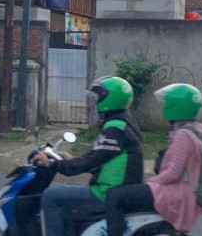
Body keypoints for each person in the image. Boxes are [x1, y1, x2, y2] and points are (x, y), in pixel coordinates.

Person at [32, 76, 143, 236]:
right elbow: (100, 158)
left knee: (51, 196)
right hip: (113, 188)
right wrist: (71, 161)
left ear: (108, 99)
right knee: (66, 193)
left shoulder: (115, 129)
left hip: (107, 193)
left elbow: (91, 161)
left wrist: (54, 165)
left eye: (99, 97)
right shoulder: (123, 123)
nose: (97, 102)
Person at [105, 83, 202, 236]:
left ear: (177, 106)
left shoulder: (183, 134)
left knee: (115, 195)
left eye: (167, 103)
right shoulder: (198, 129)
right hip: (187, 190)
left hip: (177, 192)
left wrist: (152, 182)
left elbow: (173, 172)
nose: (164, 106)